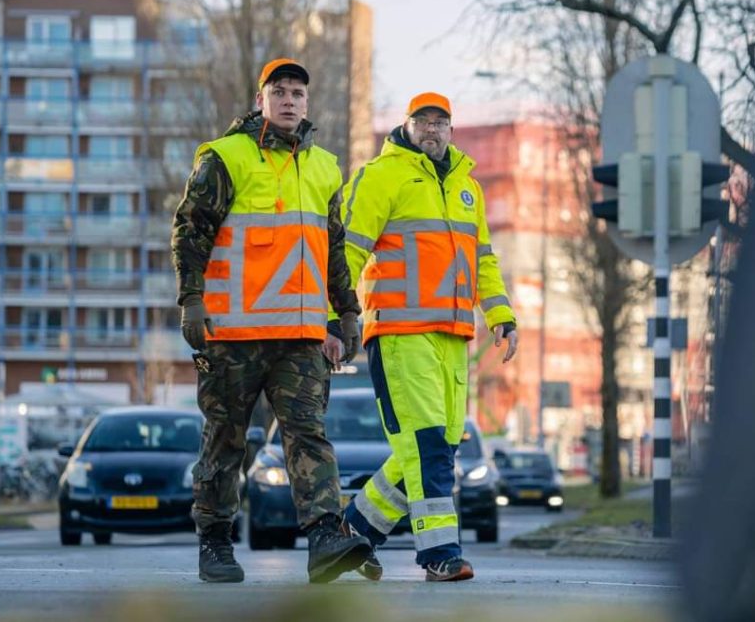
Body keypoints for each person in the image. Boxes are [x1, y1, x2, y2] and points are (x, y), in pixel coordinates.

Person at [171, 58, 370, 584]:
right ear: (260, 99)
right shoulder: (226, 157)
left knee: (308, 435)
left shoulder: (326, 166)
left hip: (300, 336)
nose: (288, 100)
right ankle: (215, 540)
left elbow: (332, 250)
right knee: (226, 439)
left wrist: (346, 312)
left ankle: (327, 535)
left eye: (297, 93)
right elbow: (190, 231)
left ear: (307, 102)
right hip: (232, 335)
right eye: (278, 91)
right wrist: (191, 300)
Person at [334, 92, 519, 582]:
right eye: (423, 122)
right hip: (399, 332)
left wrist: (500, 314)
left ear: (451, 130)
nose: (432, 130)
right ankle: (439, 554)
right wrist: (337, 317)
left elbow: (483, 259)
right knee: (428, 445)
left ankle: (353, 533)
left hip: (455, 337)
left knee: (438, 446)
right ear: (407, 126)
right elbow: (346, 250)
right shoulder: (381, 176)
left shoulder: (467, 188)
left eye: (441, 122)